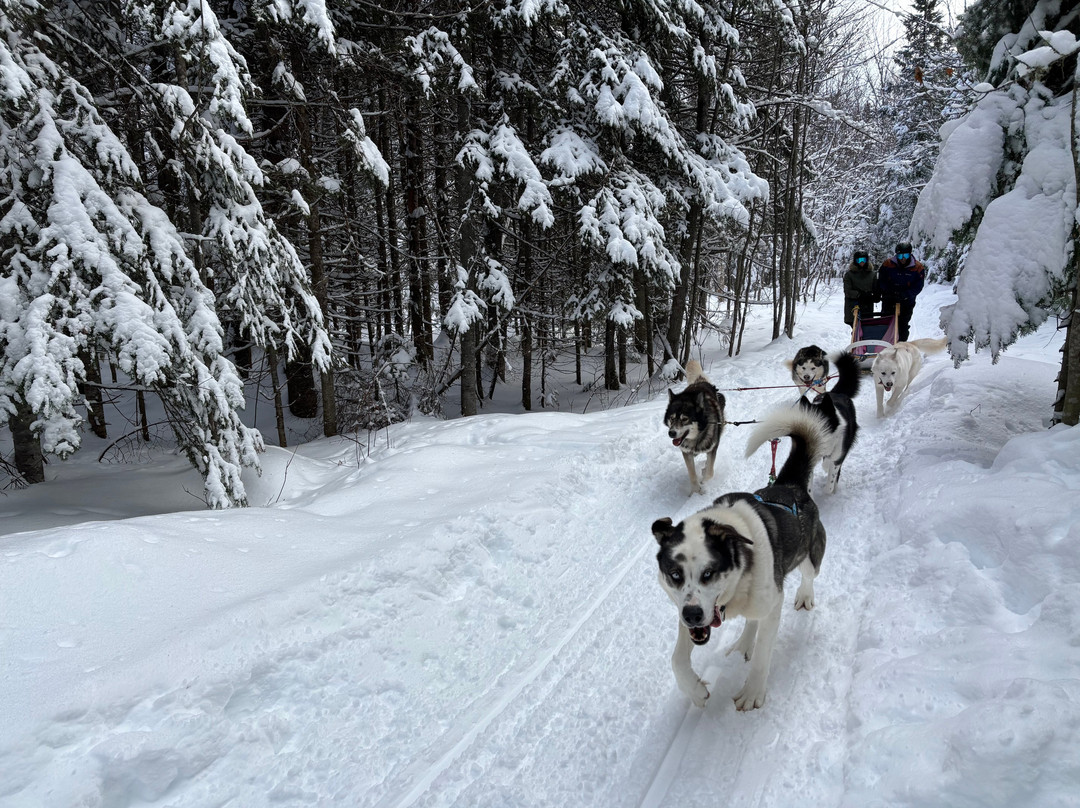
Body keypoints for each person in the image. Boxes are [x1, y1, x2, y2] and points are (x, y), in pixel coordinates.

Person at [877, 241, 926, 342]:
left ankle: (901, 345)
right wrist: (888, 292)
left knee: (902, 325)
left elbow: (918, 286)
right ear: (896, 255)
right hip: (889, 300)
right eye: (900, 256)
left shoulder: (918, 267)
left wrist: (906, 295)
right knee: (886, 323)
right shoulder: (887, 264)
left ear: (910, 254)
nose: (903, 258)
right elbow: (882, 280)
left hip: (906, 302)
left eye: (906, 255)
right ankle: (885, 345)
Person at [843, 249, 878, 327]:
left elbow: (876, 288)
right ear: (855, 261)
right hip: (854, 307)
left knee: (867, 329)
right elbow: (847, 291)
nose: (862, 262)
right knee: (856, 329)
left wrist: (876, 296)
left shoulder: (872, 274)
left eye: (864, 260)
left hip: (867, 306)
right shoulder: (849, 275)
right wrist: (859, 294)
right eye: (859, 260)